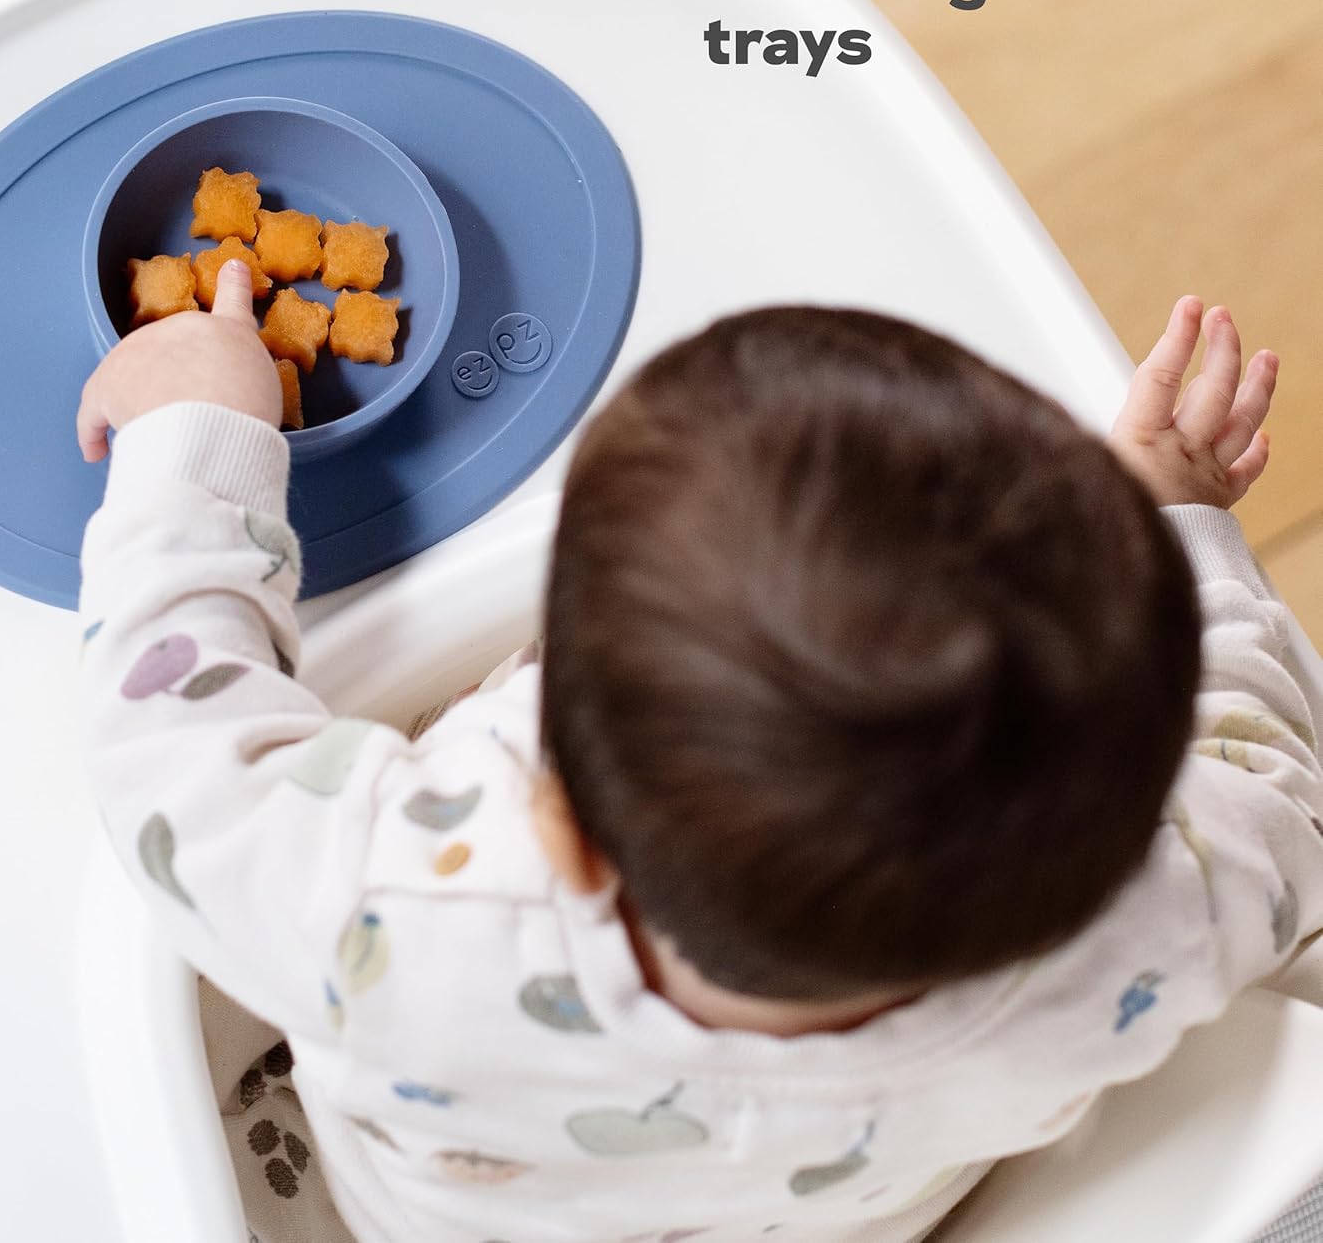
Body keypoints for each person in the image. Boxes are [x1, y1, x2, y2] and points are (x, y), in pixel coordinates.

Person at [76, 260, 1323, 1243]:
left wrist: (194, 438)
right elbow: (1264, 772)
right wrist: (1175, 527)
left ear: (560, 828)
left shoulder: (391, 917)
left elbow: (169, 747)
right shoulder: (1150, 926)